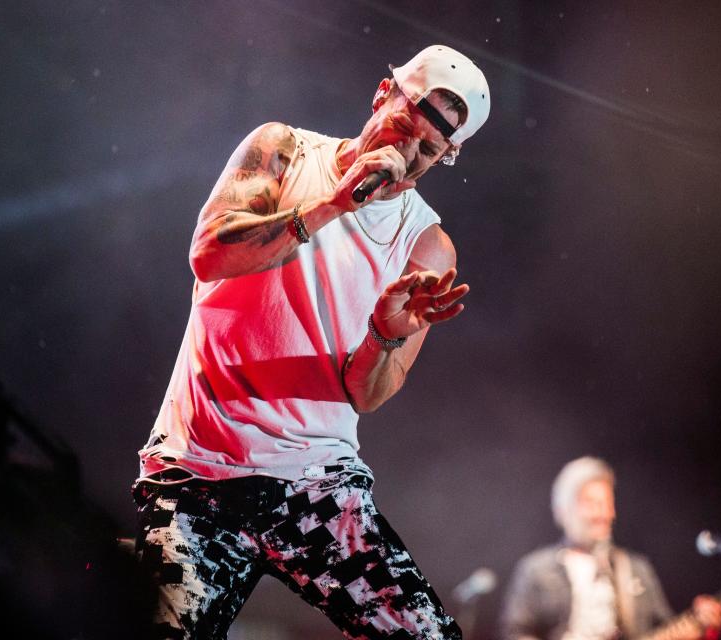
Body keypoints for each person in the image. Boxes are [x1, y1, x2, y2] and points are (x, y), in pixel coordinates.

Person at [131, 45, 490, 640]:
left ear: (448, 154)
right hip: (196, 474)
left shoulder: (427, 246)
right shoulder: (283, 150)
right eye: (405, 128)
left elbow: (366, 394)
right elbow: (209, 254)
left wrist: (383, 335)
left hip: (315, 484)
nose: (408, 153)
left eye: (430, 150)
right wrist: (331, 204)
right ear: (383, 94)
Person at [502, 457, 721, 640]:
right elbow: (515, 632)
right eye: (592, 504)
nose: (605, 514)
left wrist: (700, 625)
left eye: (608, 503)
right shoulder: (535, 569)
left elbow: (664, 627)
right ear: (563, 510)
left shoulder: (637, 568)